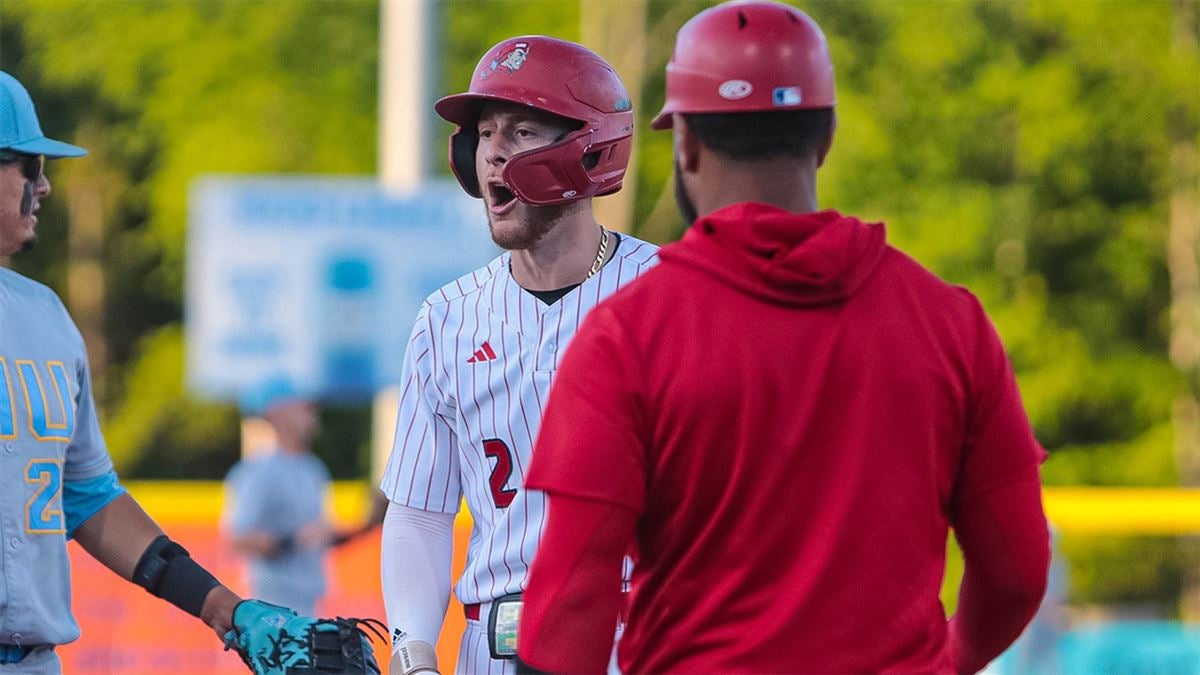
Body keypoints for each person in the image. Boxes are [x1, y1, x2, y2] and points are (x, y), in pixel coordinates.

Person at [516, 2, 1052, 673]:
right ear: (823, 137)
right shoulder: (950, 322)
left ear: (685, 143)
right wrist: (946, 659)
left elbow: (570, 604)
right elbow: (1018, 572)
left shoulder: (626, 337)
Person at [378, 36, 657, 675]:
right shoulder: (447, 317)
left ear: (592, 149)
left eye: (524, 129)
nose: (493, 152)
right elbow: (421, 512)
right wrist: (413, 648)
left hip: (636, 642)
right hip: (493, 649)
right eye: (484, 133)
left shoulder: (671, 294)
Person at [0, 69, 244, 673]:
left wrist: (220, 606)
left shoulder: (46, 319)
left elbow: (86, 497)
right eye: (31, 166)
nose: (46, 187)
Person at [223, 379, 377, 616]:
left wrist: (369, 524)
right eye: (304, 406)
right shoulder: (257, 472)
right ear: (278, 411)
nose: (312, 412)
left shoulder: (313, 469)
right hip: (271, 605)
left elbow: (319, 537)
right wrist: (291, 541)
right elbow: (237, 539)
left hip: (310, 601)